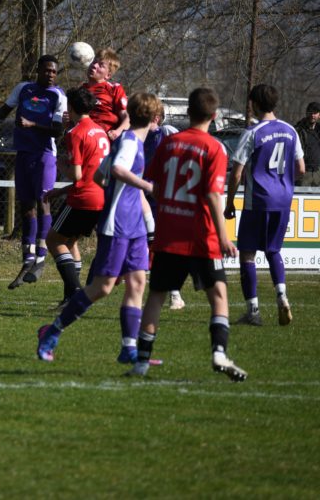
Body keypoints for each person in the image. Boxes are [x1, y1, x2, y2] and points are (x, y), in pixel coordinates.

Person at [128, 88, 246, 381]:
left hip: (169, 233)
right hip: (201, 236)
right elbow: (213, 195)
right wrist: (224, 236)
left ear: (189, 112)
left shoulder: (169, 143)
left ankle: (141, 362)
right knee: (218, 295)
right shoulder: (214, 148)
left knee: (156, 297)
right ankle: (219, 352)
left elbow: (153, 185)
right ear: (214, 116)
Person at [36, 92, 157, 365]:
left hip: (135, 225)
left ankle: (129, 348)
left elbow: (101, 175)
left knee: (138, 283)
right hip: (119, 223)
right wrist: (147, 187)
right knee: (102, 287)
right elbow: (116, 170)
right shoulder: (129, 142)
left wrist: (127, 196)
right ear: (152, 118)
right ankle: (51, 332)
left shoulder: (132, 142)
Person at [0, 55, 66, 288]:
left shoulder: (58, 96)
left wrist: (33, 125)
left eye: (54, 72)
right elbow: (2, 113)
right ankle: (28, 257)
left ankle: (42, 256)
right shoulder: (23, 89)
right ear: (38, 70)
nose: (50, 75)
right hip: (23, 153)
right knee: (26, 207)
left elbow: (57, 131)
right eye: (47, 70)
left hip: (44, 154)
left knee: (43, 202)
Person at [224, 84, 305, 327]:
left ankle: (253, 311)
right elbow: (301, 169)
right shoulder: (291, 130)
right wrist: (282, 182)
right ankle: (282, 296)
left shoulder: (253, 132)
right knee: (273, 251)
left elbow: (236, 173)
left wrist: (230, 203)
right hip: (283, 201)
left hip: (258, 201)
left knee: (247, 254)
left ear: (256, 104)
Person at [43, 87, 109, 305]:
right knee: (70, 242)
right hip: (101, 196)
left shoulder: (76, 133)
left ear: (70, 107)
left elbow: (77, 174)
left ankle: (75, 292)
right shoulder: (100, 131)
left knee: (53, 240)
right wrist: (60, 191)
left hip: (82, 199)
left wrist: (61, 164)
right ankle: (69, 297)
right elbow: (90, 173)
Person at [143, 104, 186, 310]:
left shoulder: (167, 133)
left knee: (162, 246)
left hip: (159, 198)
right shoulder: (136, 135)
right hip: (141, 196)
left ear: (157, 118)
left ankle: (175, 294)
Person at [82, 47, 129, 142]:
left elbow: (127, 117)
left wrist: (118, 132)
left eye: (101, 65)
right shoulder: (80, 90)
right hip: (83, 140)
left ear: (108, 75)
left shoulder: (114, 89)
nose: (94, 65)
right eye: (94, 62)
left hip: (104, 142)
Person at [294, 102, 320, 187]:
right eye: (310, 112)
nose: (312, 115)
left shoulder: (318, 131)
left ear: (319, 115)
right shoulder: (298, 130)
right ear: (306, 113)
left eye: (315, 112)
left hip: (318, 173)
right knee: (301, 194)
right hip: (303, 173)